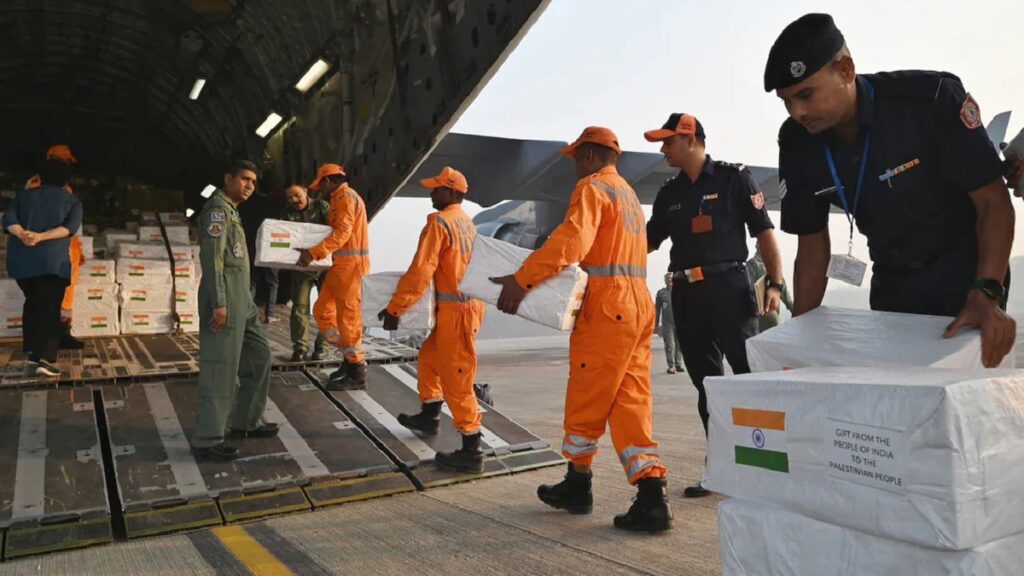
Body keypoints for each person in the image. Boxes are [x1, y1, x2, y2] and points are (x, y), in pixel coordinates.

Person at [766, 13, 1016, 368]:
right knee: (897, 395)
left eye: (806, 95)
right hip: (893, 284)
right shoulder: (798, 144)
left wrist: (987, 291)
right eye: (787, 102)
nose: (798, 112)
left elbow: (993, 203)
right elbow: (811, 245)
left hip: (966, 277)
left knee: (962, 392)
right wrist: (799, 340)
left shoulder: (929, 102)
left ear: (846, 70)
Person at [491, 126, 673, 533]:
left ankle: (578, 483)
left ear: (589, 156)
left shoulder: (592, 188)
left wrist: (522, 280)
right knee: (630, 398)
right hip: (638, 302)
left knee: (587, 393)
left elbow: (571, 242)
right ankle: (651, 493)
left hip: (608, 305)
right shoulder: (628, 195)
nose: (574, 165)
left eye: (576, 158)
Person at [644, 113, 785, 498]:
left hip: (729, 289)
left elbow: (763, 233)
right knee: (707, 385)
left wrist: (775, 283)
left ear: (689, 139)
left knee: (747, 378)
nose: (662, 149)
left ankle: (764, 466)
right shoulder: (669, 192)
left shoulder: (734, 178)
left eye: (668, 141)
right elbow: (647, 241)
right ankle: (720, 467)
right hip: (686, 295)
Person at [379, 166, 488, 473]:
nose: (431, 193)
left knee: (457, 377)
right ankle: (429, 415)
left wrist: (395, 309)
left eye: (437, 188)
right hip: (463, 309)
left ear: (451, 192)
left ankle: (472, 448)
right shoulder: (466, 222)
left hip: (458, 312)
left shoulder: (440, 223)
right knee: (429, 358)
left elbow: (421, 271)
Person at [192, 159, 277, 461]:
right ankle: (208, 438)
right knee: (221, 369)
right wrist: (219, 302)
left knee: (260, 356)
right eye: (244, 179)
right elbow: (212, 258)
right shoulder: (217, 210)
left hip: (244, 301)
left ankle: (246, 420)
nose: (249, 186)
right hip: (225, 299)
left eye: (253, 182)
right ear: (228, 178)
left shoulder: (232, 211)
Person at [3, 159, 82, 377]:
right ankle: (44, 359)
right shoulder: (72, 201)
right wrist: (41, 237)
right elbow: (68, 229)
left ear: (41, 176)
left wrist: (22, 234)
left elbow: (8, 219)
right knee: (48, 309)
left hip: (22, 264)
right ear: (65, 180)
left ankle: (31, 353)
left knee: (33, 303)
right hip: (51, 263)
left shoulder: (23, 196)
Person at [296, 164, 370, 390]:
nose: (320, 190)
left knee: (348, 320)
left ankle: (357, 372)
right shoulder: (338, 199)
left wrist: (313, 252)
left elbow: (343, 233)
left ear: (328, 181)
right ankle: (349, 357)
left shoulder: (346, 198)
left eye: (321, 185)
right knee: (322, 311)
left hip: (352, 267)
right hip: (340, 266)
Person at [26, 144, 85, 350]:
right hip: (52, 249)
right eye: (66, 161)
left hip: (67, 248)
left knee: (66, 294)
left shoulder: (63, 185)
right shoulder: (37, 185)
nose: (69, 165)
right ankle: (46, 338)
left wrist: (78, 250)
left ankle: (62, 332)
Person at [281, 183, 329, 362]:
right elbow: (284, 238)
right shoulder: (287, 214)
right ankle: (300, 347)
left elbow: (335, 230)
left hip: (324, 265)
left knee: (326, 308)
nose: (294, 200)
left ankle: (322, 346)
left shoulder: (321, 207)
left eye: (297, 195)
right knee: (299, 307)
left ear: (306, 192)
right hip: (302, 266)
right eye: (289, 198)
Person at [240, 189, 281, 323]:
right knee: (272, 282)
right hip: (269, 247)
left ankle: (246, 313)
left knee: (252, 281)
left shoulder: (244, 205)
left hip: (251, 246)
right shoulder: (272, 205)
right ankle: (269, 314)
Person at [746, 252, 793, 331]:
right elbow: (749, 288)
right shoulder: (753, 264)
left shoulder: (774, 266)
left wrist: (793, 308)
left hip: (771, 310)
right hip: (760, 313)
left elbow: (782, 289)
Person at [653, 273, 684, 373]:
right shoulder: (661, 293)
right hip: (667, 323)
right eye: (667, 279)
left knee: (679, 344)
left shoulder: (680, 291)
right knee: (670, 345)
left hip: (679, 321)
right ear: (665, 280)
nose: (669, 280)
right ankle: (671, 366)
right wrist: (655, 325)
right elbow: (657, 310)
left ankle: (678, 364)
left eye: (670, 278)